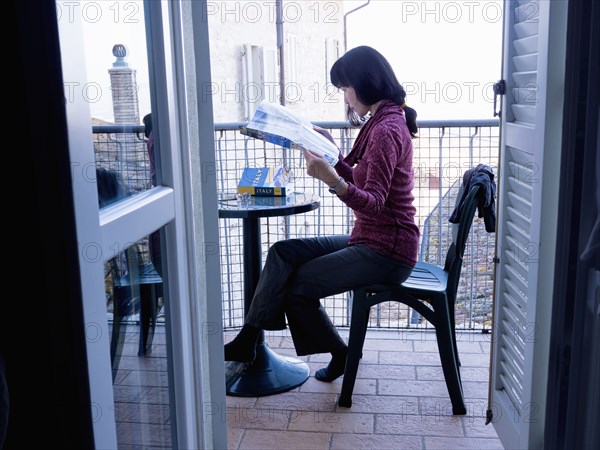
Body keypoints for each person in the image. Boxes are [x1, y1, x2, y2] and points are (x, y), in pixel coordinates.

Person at [224, 46, 420, 383]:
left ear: (365, 83)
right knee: (284, 252)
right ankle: (249, 338)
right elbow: (364, 178)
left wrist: (331, 179)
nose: (345, 97)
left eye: (345, 87)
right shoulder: (383, 120)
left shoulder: (386, 130)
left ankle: (340, 352)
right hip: (374, 237)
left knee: (297, 286)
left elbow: (373, 201)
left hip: (388, 250)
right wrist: (334, 155)